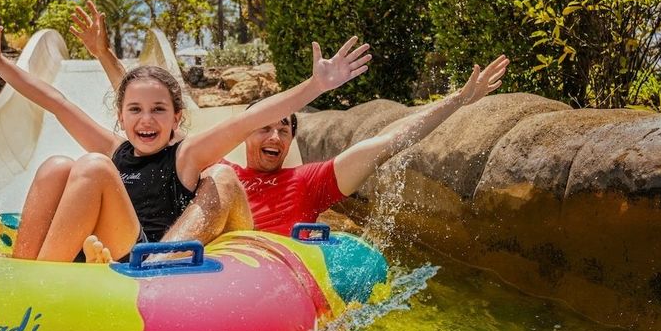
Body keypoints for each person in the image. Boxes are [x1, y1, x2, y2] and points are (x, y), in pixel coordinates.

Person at [0, 14, 371, 263]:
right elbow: (56, 101)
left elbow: (252, 118)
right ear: (121, 117)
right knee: (57, 165)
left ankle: (44, 283)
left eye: (159, 110)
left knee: (92, 166)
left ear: (176, 116)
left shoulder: (185, 156)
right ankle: (23, 269)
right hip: (107, 241)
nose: (147, 120)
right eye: (135, 110)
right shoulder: (116, 149)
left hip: (144, 252)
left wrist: (315, 86)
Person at [182, 55, 512, 237]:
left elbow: (386, 142)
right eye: (263, 129)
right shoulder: (220, 174)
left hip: (277, 277)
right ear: (244, 134)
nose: (274, 137)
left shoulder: (306, 182)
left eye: (284, 130)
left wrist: (457, 100)